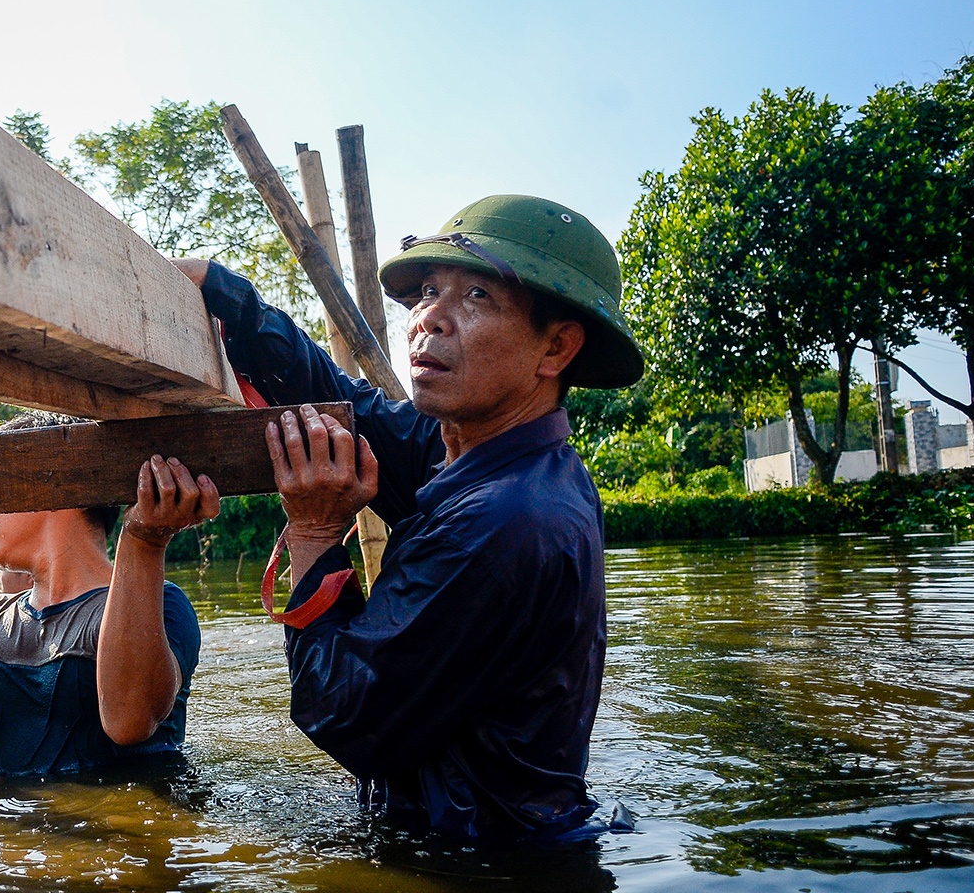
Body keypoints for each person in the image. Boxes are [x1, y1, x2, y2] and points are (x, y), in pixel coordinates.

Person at [173, 194, 646, 840]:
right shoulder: (473, 455)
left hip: (488, 885)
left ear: (556, 348)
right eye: (427, 290)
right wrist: (230, 298)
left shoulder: (507, 520)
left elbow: (346, 718)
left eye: (477, 296)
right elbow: (351, 405)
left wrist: (314, 533)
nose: (430, 320)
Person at [0, 412, 218, 778]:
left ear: (55, 490)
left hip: (116, 835)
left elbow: (129, 721)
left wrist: (144, 542)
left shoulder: (164, 603)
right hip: (8, 834)